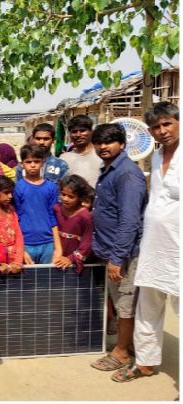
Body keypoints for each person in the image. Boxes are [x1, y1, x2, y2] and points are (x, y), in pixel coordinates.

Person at [111, 102, 179, 382]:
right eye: (156, 127)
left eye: (167, 124)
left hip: (179, 250)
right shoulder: (156, 157)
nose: (162, 131)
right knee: (146, 308)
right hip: (153, 247)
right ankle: (146, 362)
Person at [89, 123, 147, 373]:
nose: (103, 147)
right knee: (120, 301)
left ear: (122, 144)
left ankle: (122, 353)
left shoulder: (127, 174)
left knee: (125, 303)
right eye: (99, 142)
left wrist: (116, 258)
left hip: (123, 253)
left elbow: (129, 220)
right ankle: (127, 346)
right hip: (111, 249)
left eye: (109, 141)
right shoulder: (110, 170)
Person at [13, 145, 62, 265]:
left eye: (36, 161)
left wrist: (58, 247)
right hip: (26, 243)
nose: (33, 165)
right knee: (28, 281)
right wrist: (19, 248)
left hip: (48, 242)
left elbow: (53, 217)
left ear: (43, 163)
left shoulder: (51, 187)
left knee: (46, 280)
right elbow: (15, 218)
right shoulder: (17, 188)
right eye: (28, 162)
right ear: (21, 164)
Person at [52, 175, 94, 273]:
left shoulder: (85, 216)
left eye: (71, 196)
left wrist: (70, 258)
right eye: (63, 194)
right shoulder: (56, 209)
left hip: (73, 263)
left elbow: (87, 242)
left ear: (80, 198)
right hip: (57, 259)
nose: (65, 199)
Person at [60, 115, 102, 188]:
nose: (78, 135)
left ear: (91, 132)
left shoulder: (101, 154)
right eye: (74, 132)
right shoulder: (64, 159)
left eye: (82, 131)